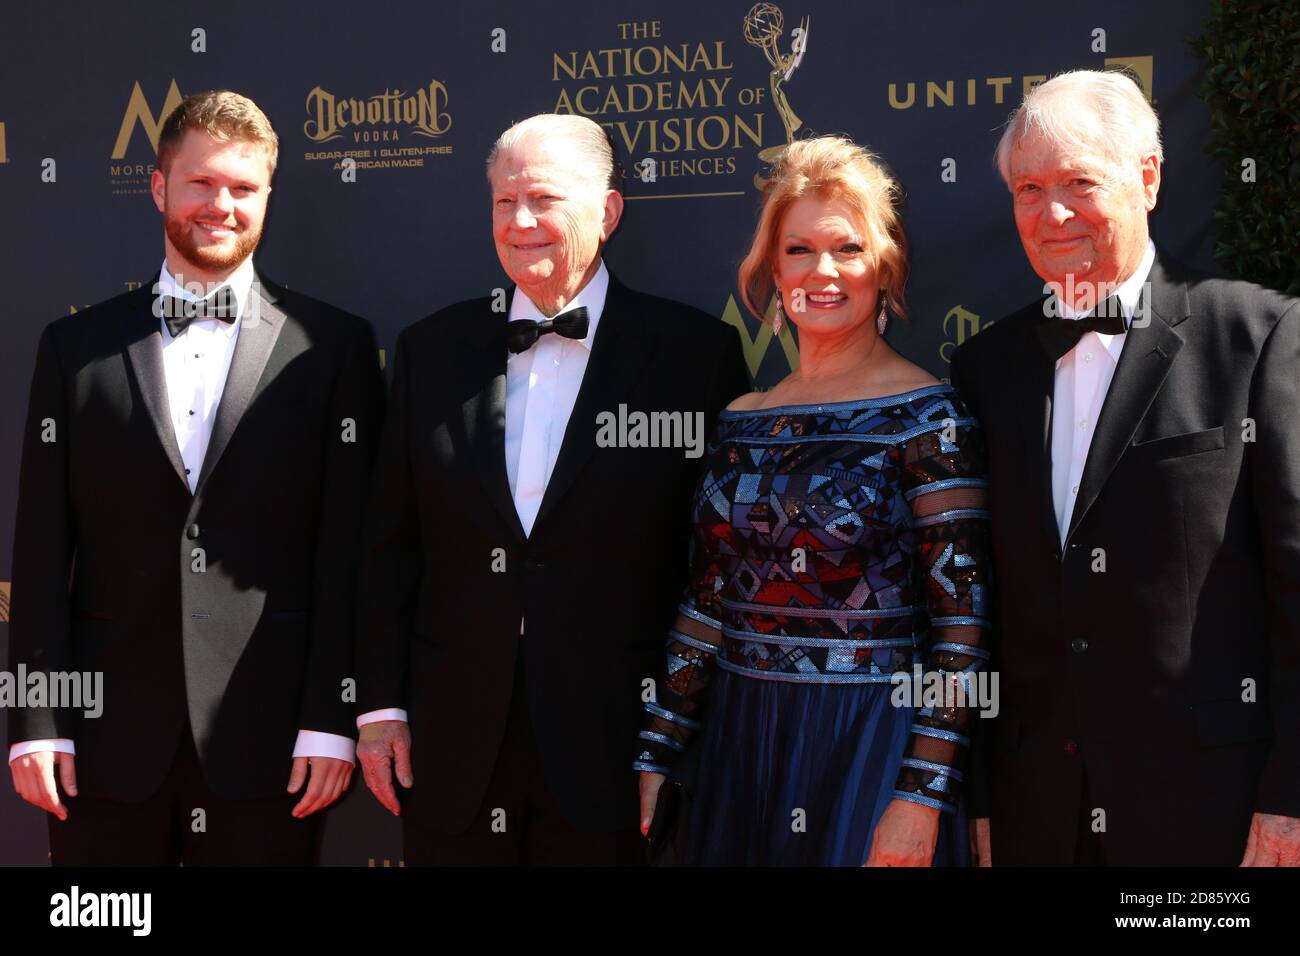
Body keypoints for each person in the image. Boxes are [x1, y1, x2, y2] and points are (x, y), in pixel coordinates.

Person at [353, 113, 748, 865]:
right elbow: (388, 549)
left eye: (543, 199)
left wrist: (678, 739)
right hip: (451, 744)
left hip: (616, 745)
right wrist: (378, 708)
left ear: (607, 211)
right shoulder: (432, 349)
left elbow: (715, 569)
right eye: (504, 202)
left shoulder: (693, 354)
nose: (521, 221)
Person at [6, 91, 385, 865]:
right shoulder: (74, 348)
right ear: (158, 187)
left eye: (243, 189)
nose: (222, 205)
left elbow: (349, 553)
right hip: (102, 746)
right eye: (201, 183)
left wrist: (328, 720)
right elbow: (41, 550)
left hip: (272, 742)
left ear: (268, 197)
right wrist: (38, 722)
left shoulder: (335, 348)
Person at [950, 69, 1300, 866]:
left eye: (1080, 182)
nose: (1053, 214)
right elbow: (979, 609)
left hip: (1213, 815)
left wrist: (1291, 798)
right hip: (1038, 813)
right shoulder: (985, 368)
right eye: (1029, 189)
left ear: (1147, 176)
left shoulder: (1258, 336)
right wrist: (983, 795)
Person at [634, 135, 993, 866]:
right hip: (743, 736)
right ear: (772, 267)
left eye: (847, 249)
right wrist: (658, 743)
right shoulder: (742, 416)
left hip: (871, 741)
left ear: (885, 264)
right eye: (799, 250)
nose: (822, 272)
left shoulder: (929, 417)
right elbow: (708, 599)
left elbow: (963, 625)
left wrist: (921, 794)